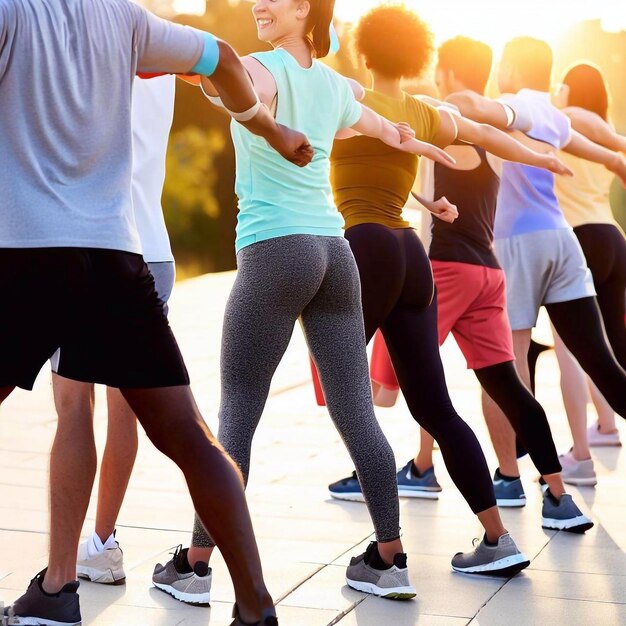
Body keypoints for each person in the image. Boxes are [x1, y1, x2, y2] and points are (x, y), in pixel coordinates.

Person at [0, 0, 316, 623]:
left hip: (25, 256)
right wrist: (271, 129)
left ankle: (61, 592)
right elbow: (222, 58)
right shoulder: (126, 19)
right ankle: (255, 607)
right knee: (192, 440)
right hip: (116, 257)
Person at [148, 0, 469, 607]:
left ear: (306, 11)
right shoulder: (333, 85)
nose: (258, 6)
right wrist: (418, 149)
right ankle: (389, 560)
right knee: (355, 410)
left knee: (238, 411)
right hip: (333, 252)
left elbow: (230, 81)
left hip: (276, 248)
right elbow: (382, 129)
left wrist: (196, 67)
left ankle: (194, 564)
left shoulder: (263, 68)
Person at [324, 13, 591, 544]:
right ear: (419, 58)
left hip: (381, 250)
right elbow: (488, 134)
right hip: (422, 259)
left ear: (365, 53)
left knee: (347, 387)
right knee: (442, 404)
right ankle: (504, 533)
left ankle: (388, 546)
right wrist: (539, 155)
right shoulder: (425, 113)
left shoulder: (347, 100)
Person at [447, 37, 626, 506]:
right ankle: (544, 472)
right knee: (602, 362)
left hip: (516, 244)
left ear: (511, 68)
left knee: (510, 365)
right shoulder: (556, 115)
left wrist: (458, 101)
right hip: (562, 241)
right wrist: (614, 161)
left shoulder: (516, 106)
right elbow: (592, 148)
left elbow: (490, 113)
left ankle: (526, 478)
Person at [53, 74, 177, 587]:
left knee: (72, 407)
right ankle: (102, 544)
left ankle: (60, 572)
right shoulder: (165, 53)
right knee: (126, 409)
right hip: (153, 246)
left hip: (91, 244)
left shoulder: (87, 45)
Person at [550, 62, 626, 484]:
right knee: (613, 351)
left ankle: (579, 456)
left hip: (581, 241)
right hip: (612, 239)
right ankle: (607, 426)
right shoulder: (598, 123)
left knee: (571, 353)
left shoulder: (572, 120)